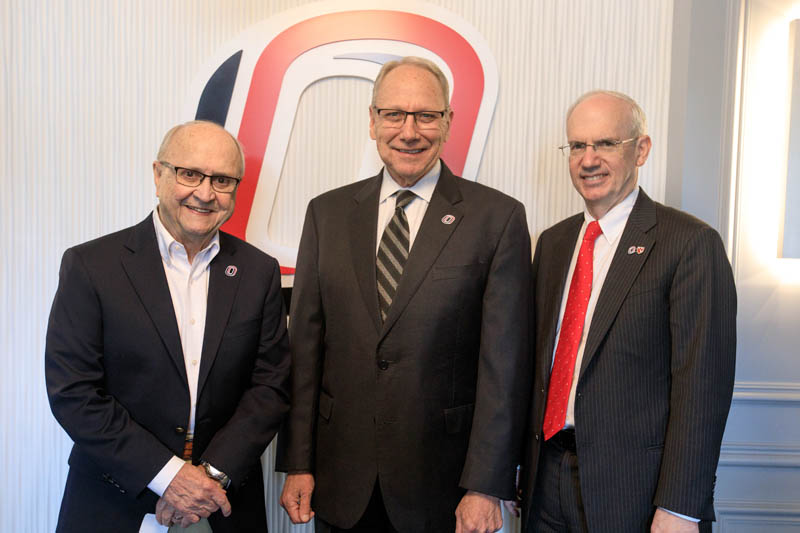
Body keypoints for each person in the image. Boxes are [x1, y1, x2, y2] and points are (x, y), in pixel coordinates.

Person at [277, 56, 532, 533]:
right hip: (341, 480)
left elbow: (505, 367)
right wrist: (298, 462)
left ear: (448, 122)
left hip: (444, 487)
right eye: (394, 114)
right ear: (372, 120)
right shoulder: (326, 214)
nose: (409, 131)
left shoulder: (497, 219)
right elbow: (306, 351)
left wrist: (485, 485)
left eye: (426, 116)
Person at [45, 120, 291, 532]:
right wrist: (169, 476)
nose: (205, 193)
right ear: (158, 174)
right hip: (110, 499)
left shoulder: (258, 271)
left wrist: (208, 478)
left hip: (223, 501)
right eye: (190, 173)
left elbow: (270, 386)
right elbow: (74, 391)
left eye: (223, 180)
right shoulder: (91, 266)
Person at [519, 90, 737, 532]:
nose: (588, 159)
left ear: (641, 150)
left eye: (605, 144)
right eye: (577, 145)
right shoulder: (554, 243)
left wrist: (680, 508)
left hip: (634, 493)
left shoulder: (689, 244)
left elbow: (702, 390)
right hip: (546, 481)